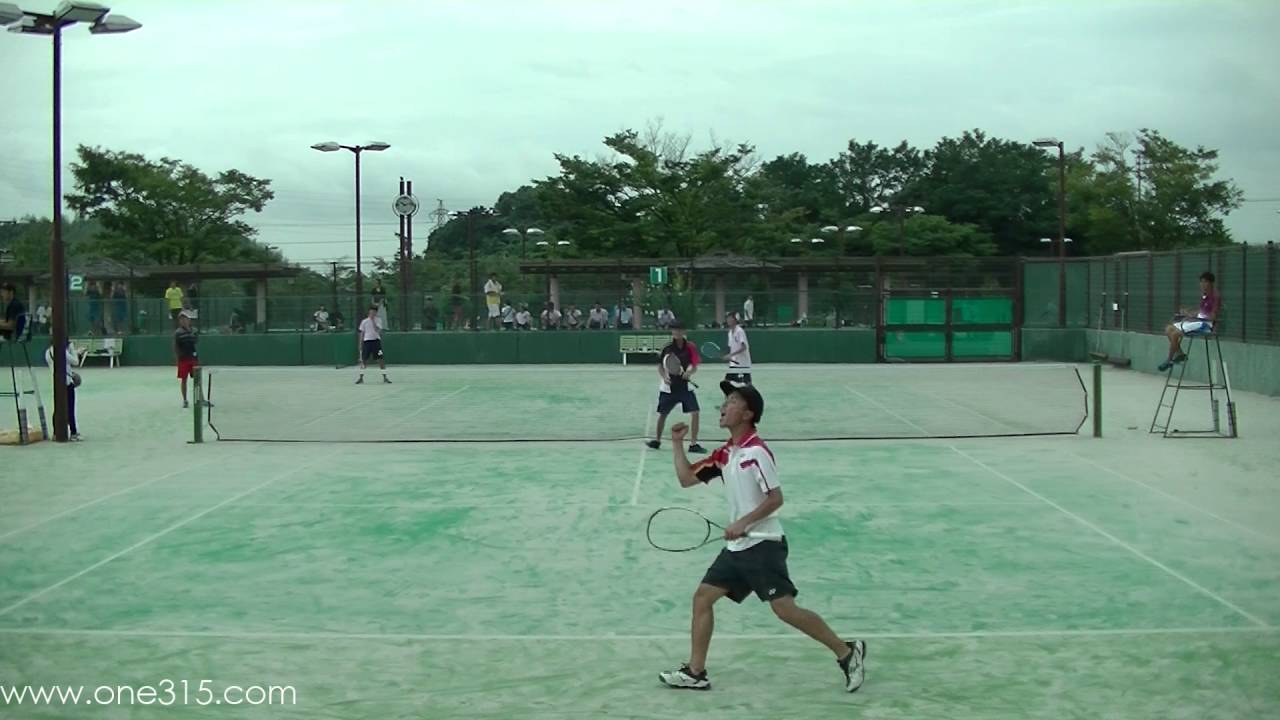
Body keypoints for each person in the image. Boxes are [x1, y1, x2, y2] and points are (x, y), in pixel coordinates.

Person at [657, 383, 866, 692]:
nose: (723, 406)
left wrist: (744, 521)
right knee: (702, 598)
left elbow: (775, 498)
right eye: (724, 401)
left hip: (763, 545)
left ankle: (847, 652)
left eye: (731, 401)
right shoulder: (725, 455)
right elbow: (687, 478)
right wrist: (677, 443)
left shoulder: (757, 452)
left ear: (748, 413)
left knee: (785, 610)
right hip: (737, 547)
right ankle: (696, 672)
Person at [647, 321, 705, 453]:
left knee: (695, 412)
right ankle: (657, 440)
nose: (677, 332)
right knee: (662, 414)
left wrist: (688, 372)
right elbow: (661, 366)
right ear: (672, 332)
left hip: (685, 387)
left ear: (684, 332)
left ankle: (693, 444)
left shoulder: (690, 347)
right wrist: (665, 377)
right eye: (674, 330)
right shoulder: (667, 347)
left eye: (679, 330)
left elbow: (693, 364)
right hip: (669, 388)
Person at [1159, 271, 1220, 372]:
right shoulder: (1204, 296)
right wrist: (1188, 313)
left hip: (1205, 325)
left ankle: (1169, 360)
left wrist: (1196, 318)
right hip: (1197, 322)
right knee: (1168, 329)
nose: (1202, 285)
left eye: (1205, 282)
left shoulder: (1215, 296)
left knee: (1174, 334)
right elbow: (1201, 312)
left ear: (1211, 283)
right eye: (1201, 282)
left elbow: (1212, 316)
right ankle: (1180, 354)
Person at [45, 340, 86, 441]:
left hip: (56, 383)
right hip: (67, 383)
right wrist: (73, 350)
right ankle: (73, 433)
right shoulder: (62, 351)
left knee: (58, 408)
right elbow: (76, 361)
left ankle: (56, 433)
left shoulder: (48, 352)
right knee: (70, 408)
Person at [356, 305, 391, 385]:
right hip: (367, 342)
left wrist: (373, 321)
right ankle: (361, 378)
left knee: (381, 359)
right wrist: (360, 344)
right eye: (371, 311)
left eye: (374, 311)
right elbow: (361, 333)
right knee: (364, 360)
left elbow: (377, 330)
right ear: (369, 311)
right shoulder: (364, 321)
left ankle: (385, 377)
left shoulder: (378, 320)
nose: (373, 313)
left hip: (376, 342)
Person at [174, 310, 200, 409]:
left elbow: (196, 342)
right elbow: (175, 346)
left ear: (189, 320)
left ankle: (200, 399)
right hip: (183, 360)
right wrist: (177, 359)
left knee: (197, 380)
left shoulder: (194, 331)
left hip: (193, 359)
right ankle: (185, 400)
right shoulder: (177, 333)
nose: (183, 321)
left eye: (185, 319)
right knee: (184, 380)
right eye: (181, 319)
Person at [723, 311, 752, 386]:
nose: (728, 320)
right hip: (734, 364)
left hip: (743, 363)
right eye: (727, 318)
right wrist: (730, 357)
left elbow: (744, 347)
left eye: (730, 318)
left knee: (748, 385)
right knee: (726, 382)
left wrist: (731, 354)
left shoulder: (740, 331)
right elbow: (732, 348)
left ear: (735, 320)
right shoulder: (729, 333)